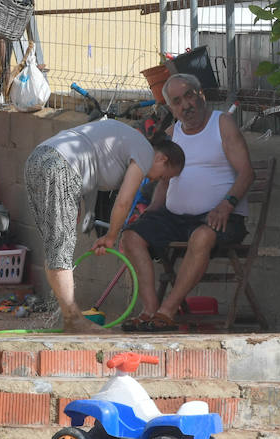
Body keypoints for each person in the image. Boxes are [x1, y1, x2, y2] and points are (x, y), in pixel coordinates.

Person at [110, 73, 254, 331]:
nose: (186, 105)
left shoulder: (222, 124)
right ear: (171, 108)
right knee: (131, 237)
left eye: (189, 96)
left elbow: (247, 172)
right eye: (177, 101)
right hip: (175, 218)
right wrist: (150, 213)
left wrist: (227, 203)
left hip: (219, 217)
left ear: (202, 95)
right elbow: (165, 181)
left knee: (201, 236)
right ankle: (150, 311)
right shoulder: (171, 134)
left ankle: (167, 312)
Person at [23, 118, 184, 333]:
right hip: (60, 165)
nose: (157, 181)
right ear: (162, 158)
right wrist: (111, 236)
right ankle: (73, 320)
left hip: (38, 159)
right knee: (60, 248)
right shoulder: (145, 152)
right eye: (164, 176)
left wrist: (82, 210)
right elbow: (124, 201)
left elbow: (92, 168)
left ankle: (69, 317)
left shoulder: (127, 142)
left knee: (56, 246)